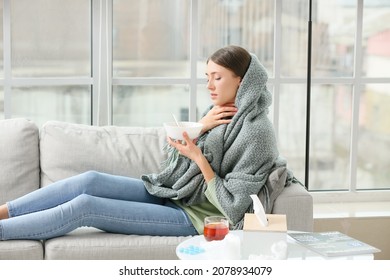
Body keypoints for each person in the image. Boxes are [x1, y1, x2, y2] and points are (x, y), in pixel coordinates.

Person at [0, 45, 290, 241]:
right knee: (89, 181)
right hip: (177, 194)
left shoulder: (256, 133)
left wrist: (199, 158)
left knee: (85, 208)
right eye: (207, 78)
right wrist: (200, 127)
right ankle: (3, 211)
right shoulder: (217, 113)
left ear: (242, 81)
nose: (209, 86)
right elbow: (173, 160)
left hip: (196, 217)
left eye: (218, 78)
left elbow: (235, 208)